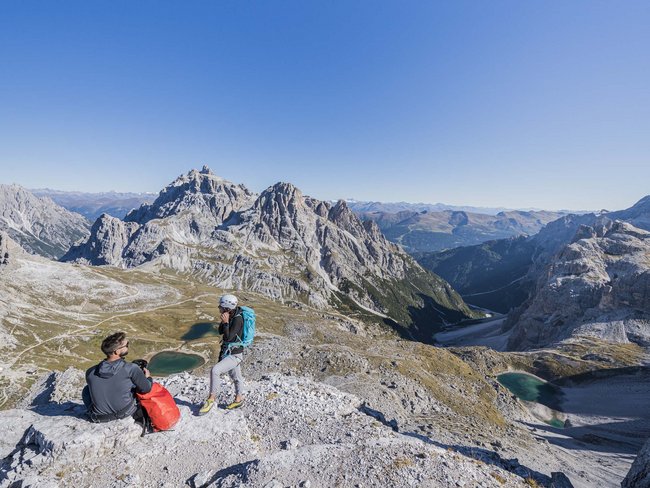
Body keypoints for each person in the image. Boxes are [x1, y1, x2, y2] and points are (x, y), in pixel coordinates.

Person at [83, 332, 152, 423]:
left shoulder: (90, 372)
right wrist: (148, 378)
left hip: (98, 417)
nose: (128, 346)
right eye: (126, 345)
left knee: (86, 389)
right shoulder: (131, 368)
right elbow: (146, 389)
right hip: (124, 413)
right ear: (116, 351)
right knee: (136, 388)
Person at [199, 294, 245, 415]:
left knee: (215, 370)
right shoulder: (231, 315)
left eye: (221, 306)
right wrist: (224, 321)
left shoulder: (238, 319)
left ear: (227, 307)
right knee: (237, 377)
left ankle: (211, 399)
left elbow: (229, 337)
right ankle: (239, 399)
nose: (219, 308)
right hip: (230, 353)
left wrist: (226, 323)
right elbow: (220, 331)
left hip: (234, 355)